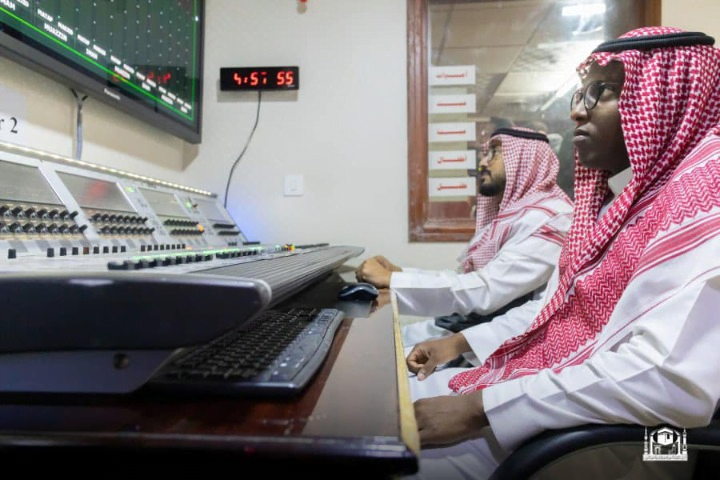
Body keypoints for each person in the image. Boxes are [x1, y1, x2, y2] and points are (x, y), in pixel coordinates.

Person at [404, 26, 720, 480]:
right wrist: (460, 345)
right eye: (580, 93)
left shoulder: (704, 199)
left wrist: (480, 408)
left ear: (670, 96)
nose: (576, 111)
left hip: (634, 442)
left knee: (388, 452)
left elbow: (668, 380)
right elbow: (556, 313)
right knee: (394, 401)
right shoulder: (620, 202)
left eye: (602, 91)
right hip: (568, 402)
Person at [355, 128, 573, 348]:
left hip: (492, 346)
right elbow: (470, 278)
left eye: (495, 153)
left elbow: (485, 291)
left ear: (526, 160)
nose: (483, 164)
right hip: (463, 327)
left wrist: (393, 281)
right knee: (375, 346)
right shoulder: (516, 214)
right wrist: (400, 274)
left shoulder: (551, 218)